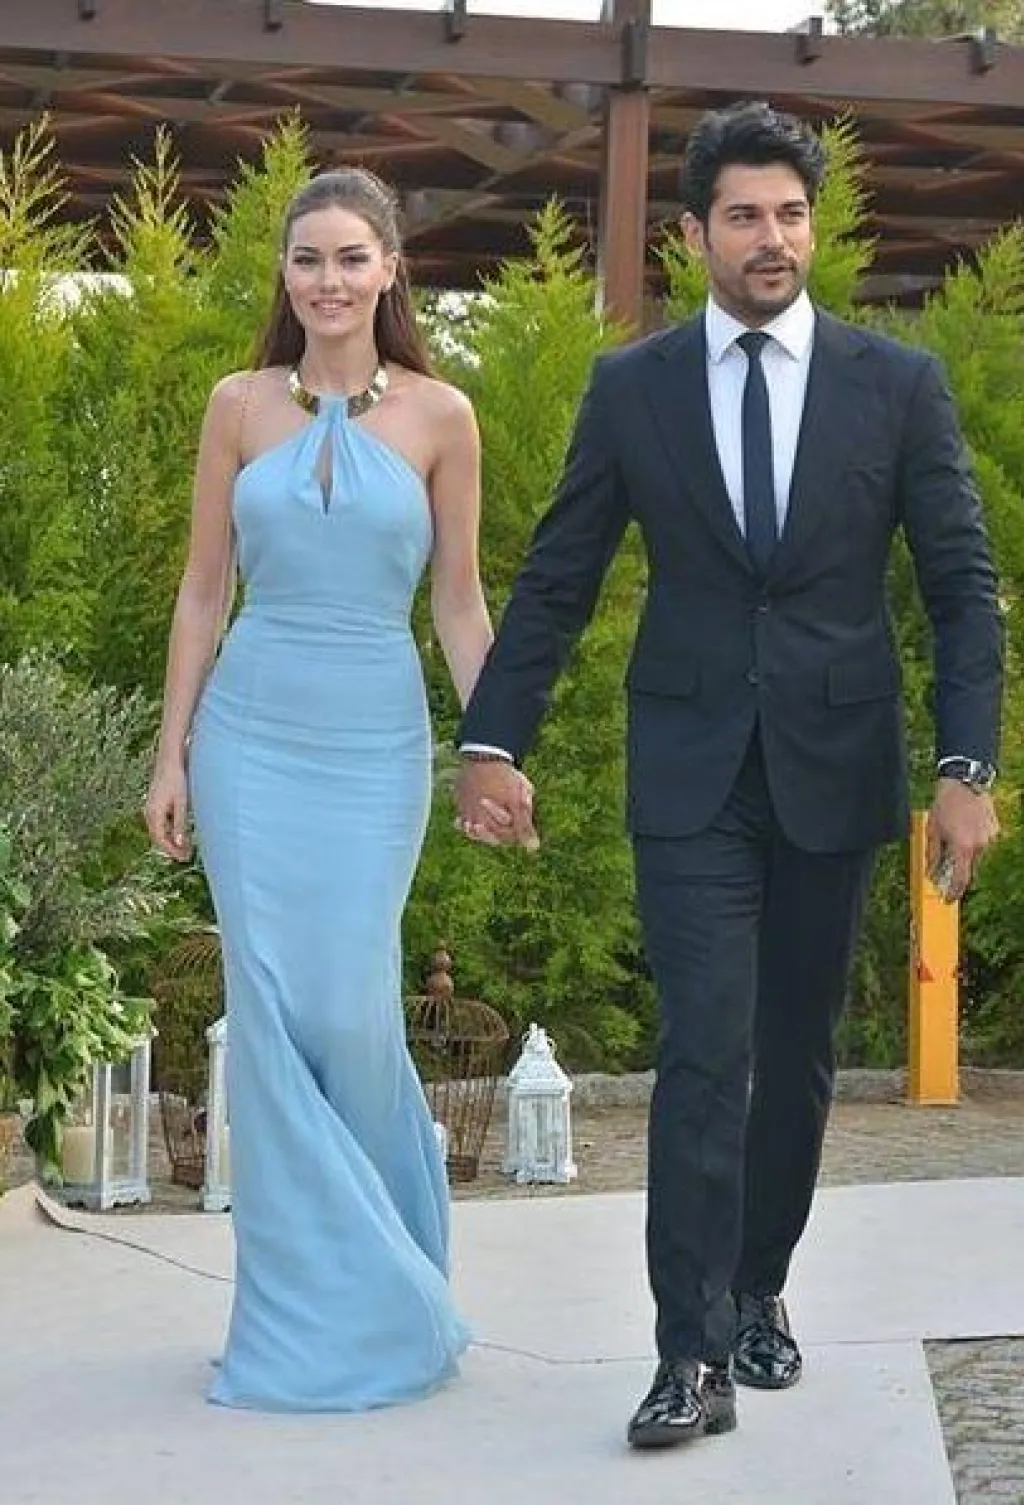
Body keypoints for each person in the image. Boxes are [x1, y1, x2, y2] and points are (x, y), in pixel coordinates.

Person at [454, 101, 1003, 1449]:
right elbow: (560, 576)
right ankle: (688, 1352)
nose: (773, 237)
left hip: (836, 764)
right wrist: (492, 738)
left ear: (814, 227)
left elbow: (961, 586)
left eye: (791, 214)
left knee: (798, 1051)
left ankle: (760, 1286)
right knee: (705, 1045)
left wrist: (965, 766)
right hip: (691, 766)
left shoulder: (896, 385)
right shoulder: (631, 389)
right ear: (695, 232)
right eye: (746, 215)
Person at [144, 167, 509, 1411]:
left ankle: (391, 1280)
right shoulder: (236, 404)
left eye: (353, 256)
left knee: (350, 1011)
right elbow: (204, 591)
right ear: (285, 275)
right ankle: (299, 1318)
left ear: (392, 268)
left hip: (372, 745)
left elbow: (460, 605)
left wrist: (496, 745)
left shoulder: (444, 417)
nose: (330, 280)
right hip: (249, 738)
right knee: (268, 1016)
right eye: (308, 259)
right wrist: (171, 752)